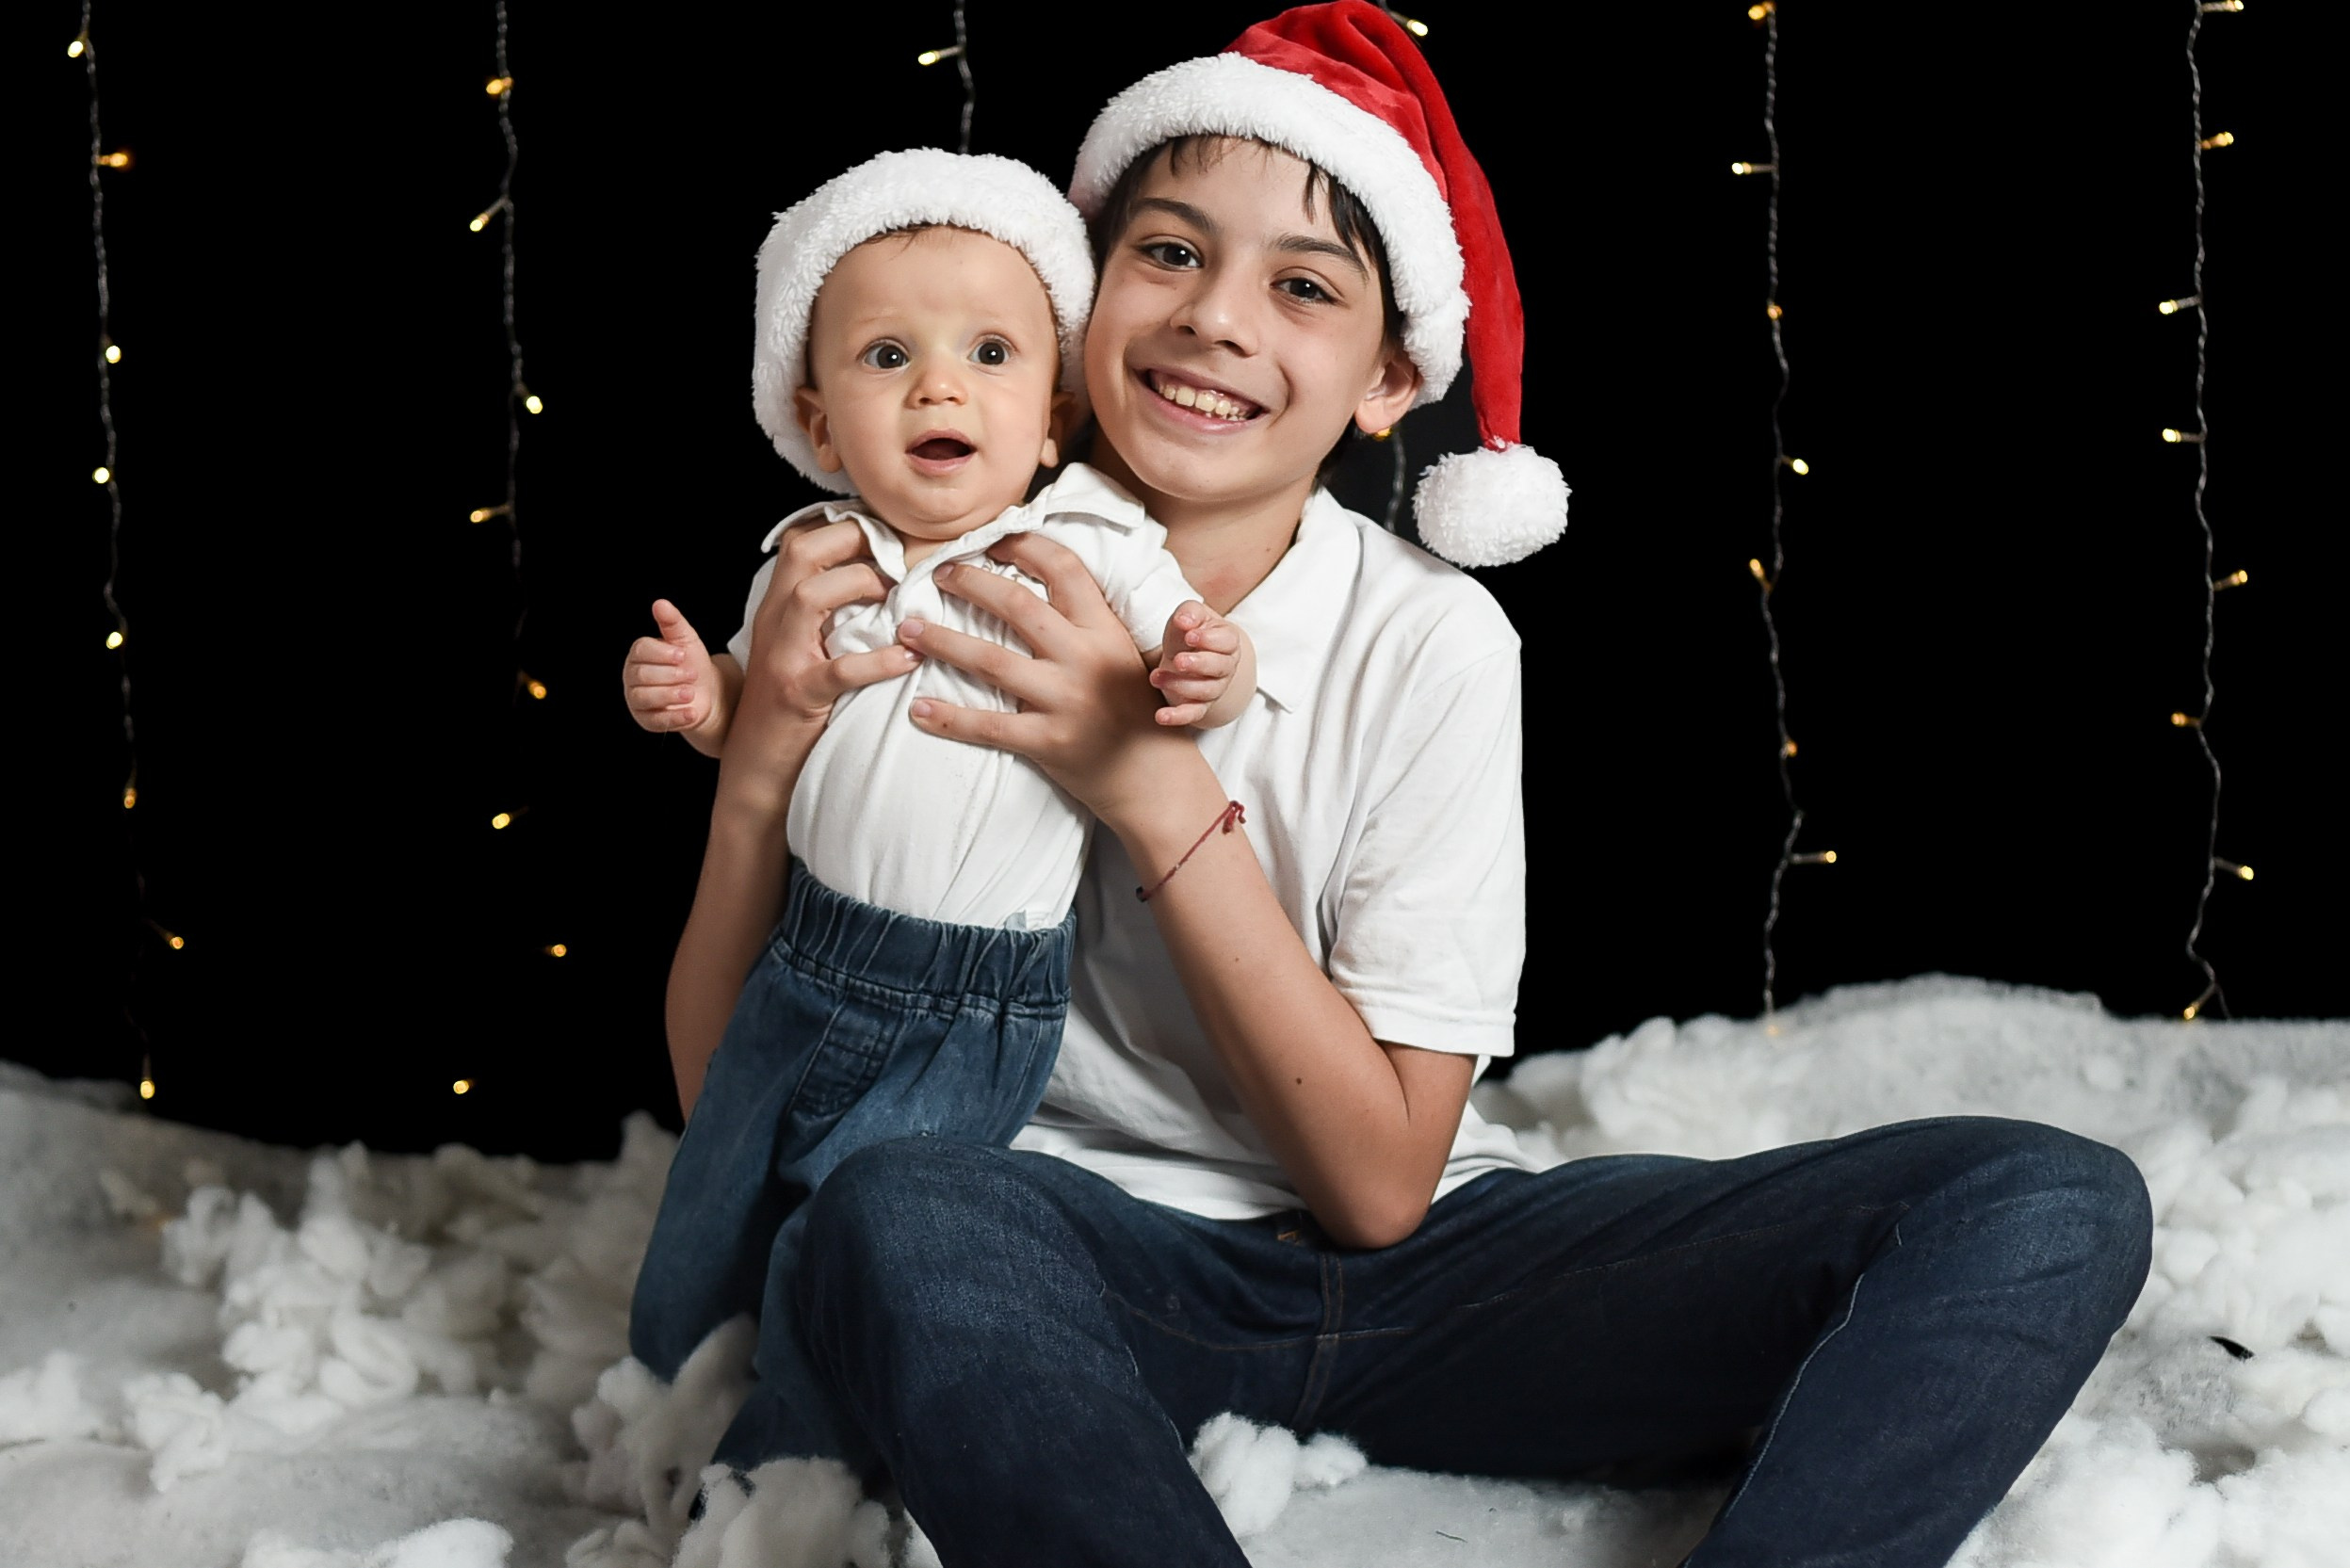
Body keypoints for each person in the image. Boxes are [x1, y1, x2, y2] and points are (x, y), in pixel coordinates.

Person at [666, 7, 2155, 1564]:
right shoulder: (918, 583)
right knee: (891, 1214)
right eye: (1166, 254)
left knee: (2047, 1197)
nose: (1218, 320)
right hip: (1077, 1265)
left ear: (1388, 379)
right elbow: (735, 1098)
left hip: (1440, 1271)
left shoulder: (1434, 639)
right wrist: (761, 759)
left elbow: (1379, 1187)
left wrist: (1156, 792)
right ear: (1074, 298)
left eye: (1302, 286)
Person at [620, 147, 1256, 1478]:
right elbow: (757, 722)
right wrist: (702, 694)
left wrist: (1208, 663)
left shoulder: (1091, 549)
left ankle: (796, 1455)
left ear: (1052, 417)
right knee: (723, 1177)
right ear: (816, 417)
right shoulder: (813, 558)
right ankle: (675, 1377)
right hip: (804, 954)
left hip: (975, 998)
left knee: (857, 1224)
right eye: (888, 359)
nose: (942, 386)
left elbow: (1182, 653)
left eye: (987, 354)